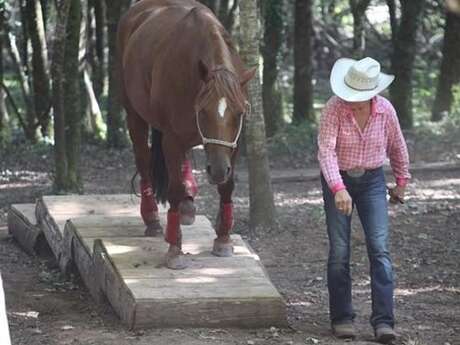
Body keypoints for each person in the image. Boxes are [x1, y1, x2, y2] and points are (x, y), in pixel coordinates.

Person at [317, 57, 411, 344]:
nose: (352, 102)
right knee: (340, 251)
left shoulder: (385, 111)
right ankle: (342, 318)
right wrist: (337, 187)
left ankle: (384, 322)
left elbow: (397, 145)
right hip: (339, 177)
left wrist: (402, 180)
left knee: (380, 250)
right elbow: (326, 151)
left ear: (373, 94)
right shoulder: (334, 108)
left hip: (372, 181)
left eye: (359, 99)